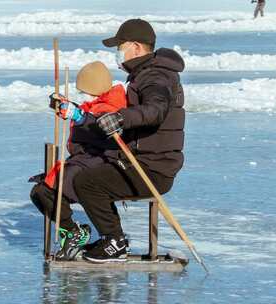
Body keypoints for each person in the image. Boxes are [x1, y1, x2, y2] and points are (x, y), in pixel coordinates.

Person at [72, 19, 186, 263]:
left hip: (153, 168)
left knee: (87, 183)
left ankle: (114, 242)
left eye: (120, 46)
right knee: (89, 174)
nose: (118, 53)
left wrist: (120, 118)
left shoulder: (155, 76)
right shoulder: (146, 74)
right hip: (143, 161)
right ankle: (112, 239)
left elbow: (155, 110)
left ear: (135, 47)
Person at [30, 61, 128, 260]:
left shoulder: (111, 106)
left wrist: (77, 114)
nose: (83, 95)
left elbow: (97, 126)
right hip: (84, 160)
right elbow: (85, 114)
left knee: (44, 190)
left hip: (98, 161)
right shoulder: (97, 103)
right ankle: (74, 230)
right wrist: (64, 107)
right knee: (42, 190)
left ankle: (79, 232)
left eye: (85, 90)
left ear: (94, 87)